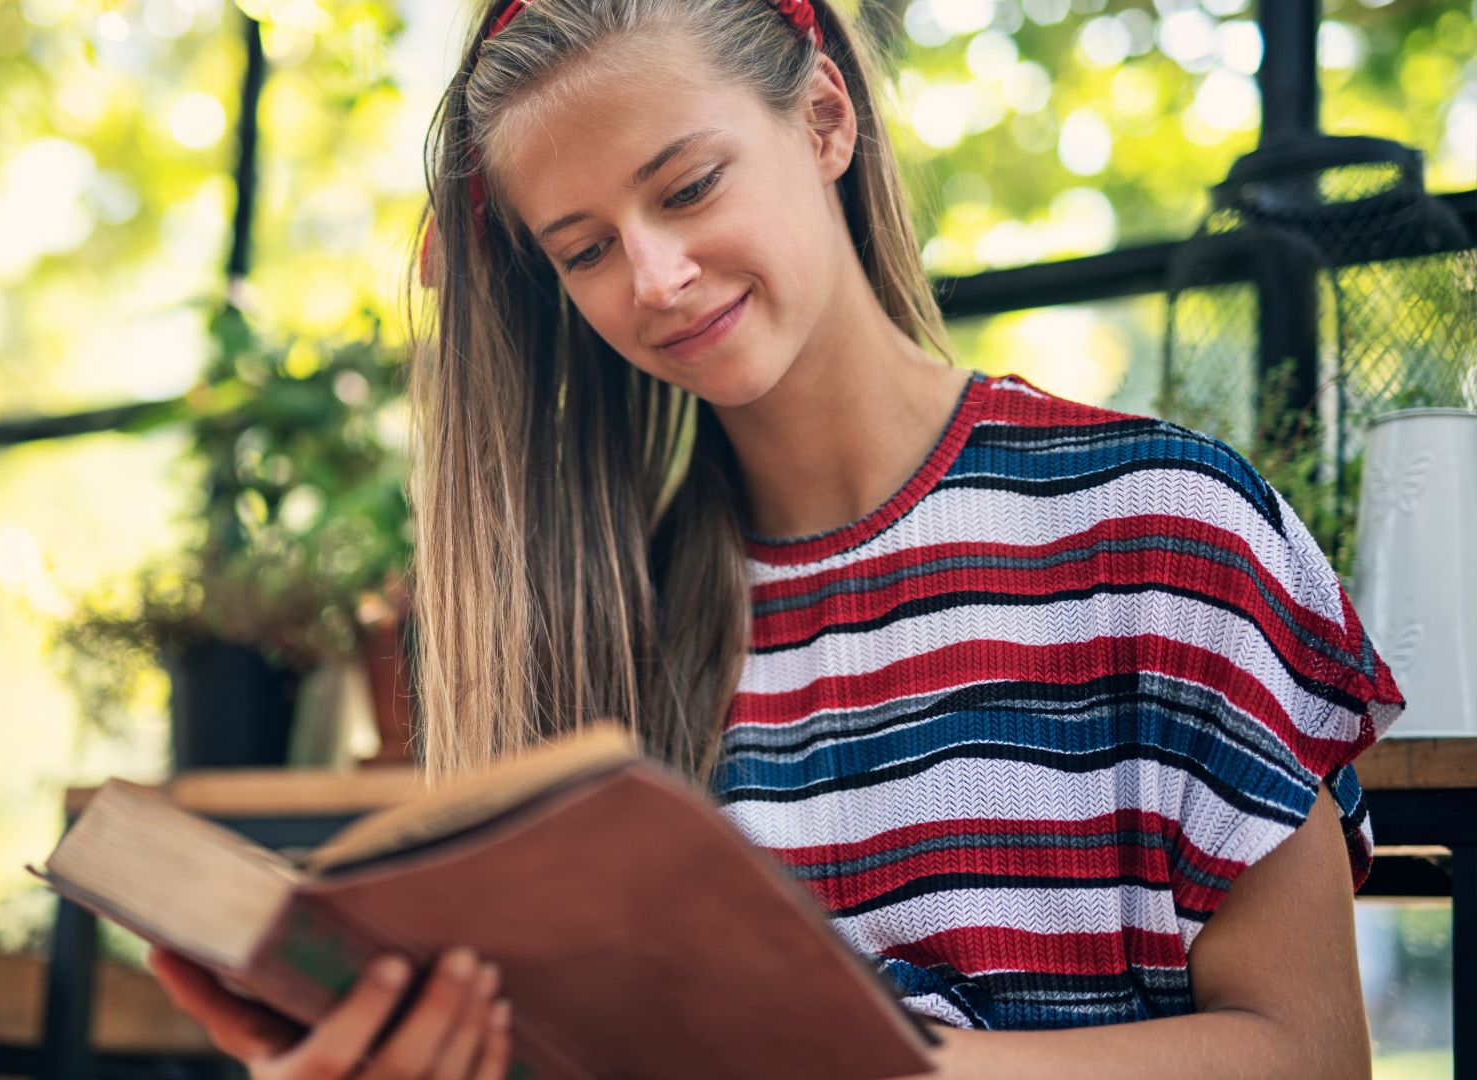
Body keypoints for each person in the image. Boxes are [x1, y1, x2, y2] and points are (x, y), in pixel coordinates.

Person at [148, 0, 1407, 1075]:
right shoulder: (604, 637)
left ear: (823, 121)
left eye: (688, 187)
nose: (653, 277)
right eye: (584, 251)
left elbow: (1307, 1053)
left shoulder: (1168, 530)